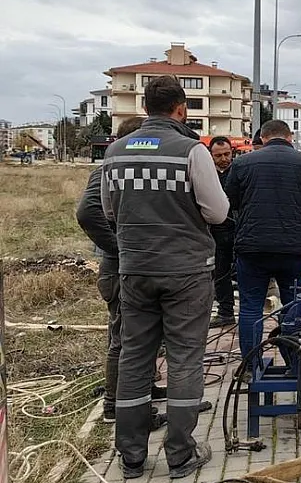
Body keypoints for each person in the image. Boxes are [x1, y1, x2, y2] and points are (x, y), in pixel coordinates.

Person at [101, 75, 229, 479]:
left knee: (135, 357)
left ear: (145, 108)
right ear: (181, 109)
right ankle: (180, 454)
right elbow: (217, 212)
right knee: (185, 358)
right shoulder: (191, 150)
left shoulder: (116, 151)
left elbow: (108, 210)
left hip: (135, 270)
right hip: (186, 271)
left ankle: (132, 457)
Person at [75, 117, 169, 426]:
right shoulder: (108, 170)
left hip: (133, 265)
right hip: (119, 268)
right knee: (124, 339)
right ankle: (115, 405)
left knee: (142, 337)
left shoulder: (129, 170)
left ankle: (144, 391)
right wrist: (120, 247)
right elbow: (87, 211)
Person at [223, 119, 301, 366]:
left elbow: (230, 201)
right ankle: (296, 364)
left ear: (262, 138)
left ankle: (251, 365)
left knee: (251, 307)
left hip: (252, 247)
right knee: (294, 305)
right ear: (290, 137)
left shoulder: (241, 163)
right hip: (294, 248)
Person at [208, 136, 237, 327]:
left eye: (227, 154)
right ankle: (225, 311)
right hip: (216, 232)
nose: (223, 159)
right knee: (220, 273)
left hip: (238, 228)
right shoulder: (207, 174)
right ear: (211, 156)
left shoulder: (239, 171)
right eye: (218, 155)